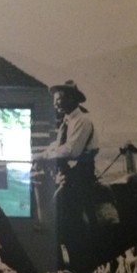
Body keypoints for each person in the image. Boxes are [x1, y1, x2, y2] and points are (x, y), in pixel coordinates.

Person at [32, 80, 99, 240]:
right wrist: (41, 153)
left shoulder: (82, 121)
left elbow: (72, 150)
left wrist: (44, 156)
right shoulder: (67, 121)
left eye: (59, 100)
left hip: (80, 175)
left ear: (71, 99)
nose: (55, 104)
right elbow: (58, 144)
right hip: (67, 174)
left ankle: (79, 243)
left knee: (59, 205)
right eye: (55, 100)